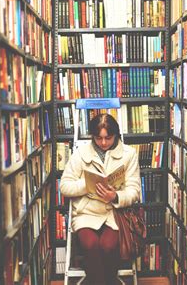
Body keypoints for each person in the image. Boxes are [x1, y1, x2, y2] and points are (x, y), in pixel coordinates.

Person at [60, 113, 141, 284]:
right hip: (86, 212)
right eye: (98, 138)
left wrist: (115, 196)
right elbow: (64, 186)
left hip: (115, 213)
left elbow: (134, 191)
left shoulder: (129, 154)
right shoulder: (81, 153)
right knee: (90, 246)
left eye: (108, 138)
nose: (103, 143)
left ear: (116, 135)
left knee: (108, 246)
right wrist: (87, 184)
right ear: (92, 136)